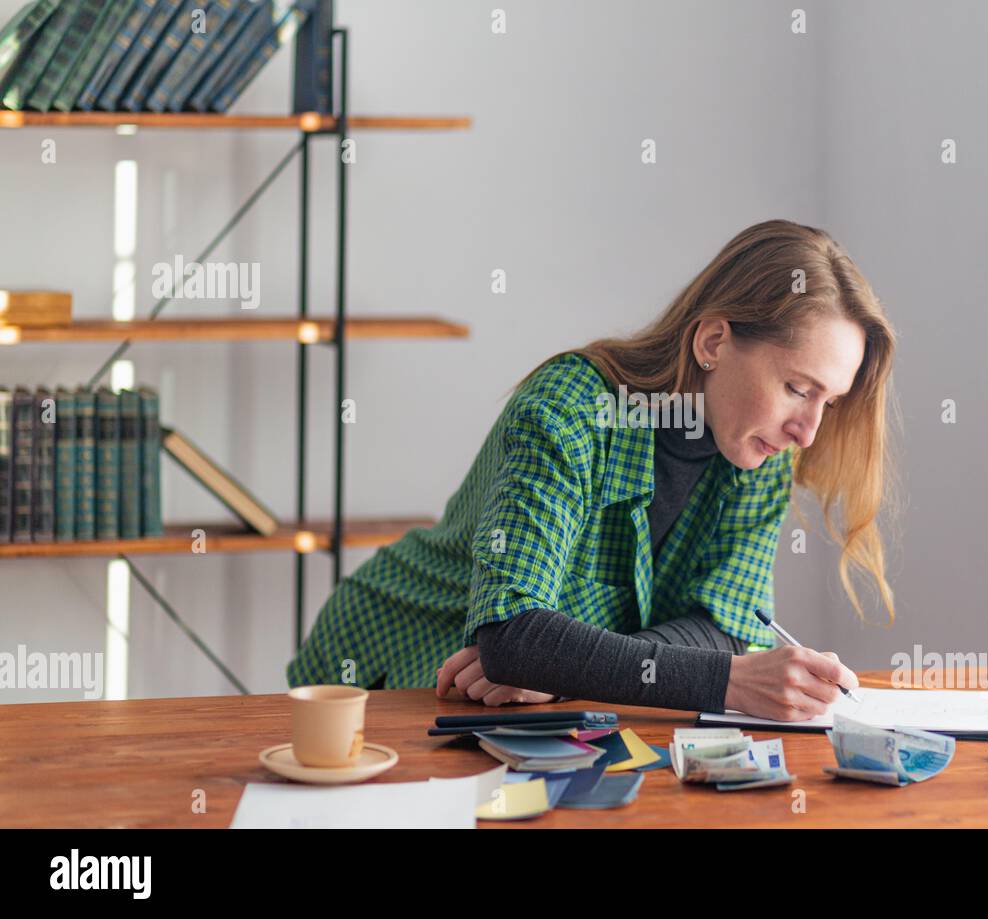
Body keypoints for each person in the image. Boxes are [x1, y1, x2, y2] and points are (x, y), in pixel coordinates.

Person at [286, 218, 898, 721]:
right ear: (713, 342)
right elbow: (511, 635)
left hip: (518, 702)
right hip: (386, 672)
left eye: (830, 402)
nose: (808, 430)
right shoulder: (568, 411)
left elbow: (724, 628)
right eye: (797, 387)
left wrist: (559, 670)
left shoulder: (762, 452)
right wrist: (723, 682)